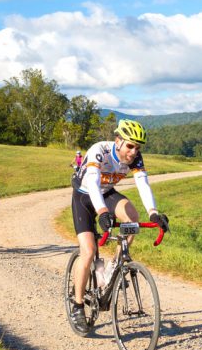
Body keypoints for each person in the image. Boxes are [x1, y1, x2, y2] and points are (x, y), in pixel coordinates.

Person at [69, 119, 169, 333]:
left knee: (131, 218)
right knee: (88, 252)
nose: (133, 152)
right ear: (118, 141)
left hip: (107, 193)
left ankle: (113, 267)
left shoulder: (135, 158)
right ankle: (77, 305)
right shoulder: (99, 151)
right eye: (130, 146)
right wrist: (102, 212)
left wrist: (153, 213)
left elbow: (143, 183)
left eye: (138, 147)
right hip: (84, 197)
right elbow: (93, 184)